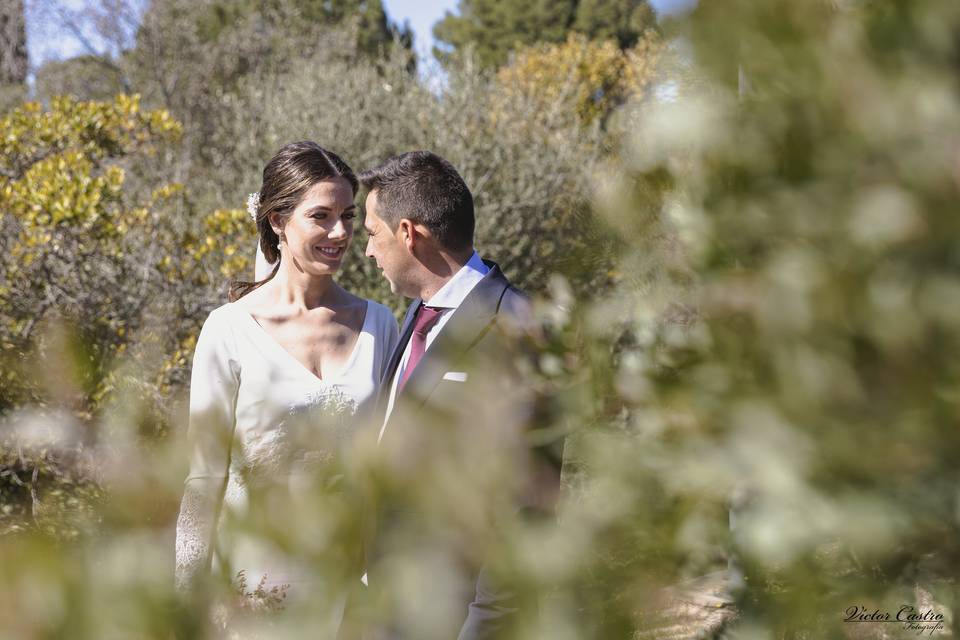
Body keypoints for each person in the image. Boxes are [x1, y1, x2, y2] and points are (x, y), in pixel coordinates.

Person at [174, 142, 399, 632]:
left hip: (348, 590)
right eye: (320, 216)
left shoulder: (380, 325)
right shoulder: (228, 330)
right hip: (249, 591)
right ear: (277, 221)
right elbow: (203, 479)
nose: (339, 232)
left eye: (347, 216)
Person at [359, 150, 561, 640]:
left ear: (409, 233)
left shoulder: (517, 330)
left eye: (372, 234)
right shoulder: (418, 315)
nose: (367, 251)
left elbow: (524, 515)